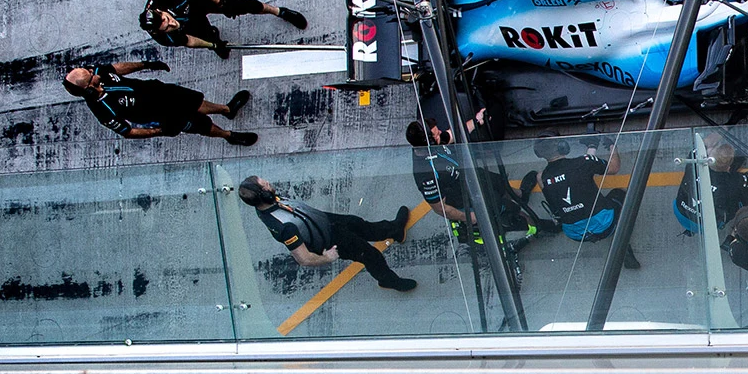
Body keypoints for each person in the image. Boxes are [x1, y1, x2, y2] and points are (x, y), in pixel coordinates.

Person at [238, 176, 417, 292]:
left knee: (359, 224)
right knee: (371, 255)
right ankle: (389, 280)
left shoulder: (271, 201)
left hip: (327, 222)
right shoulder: (284, 227)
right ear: (264, 195)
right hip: (330, 240)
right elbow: (304, 258)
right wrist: (327, 257)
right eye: (265, 185)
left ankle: (394, 229)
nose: (269, 183)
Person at [409, 114, 556, 248]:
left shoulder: (435, 144)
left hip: (473, 176)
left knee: (501, 184)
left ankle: (521, 195)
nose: (441, 132)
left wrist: (477, 120)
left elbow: (452, 134)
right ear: (428, 142)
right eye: (436, 134)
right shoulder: (426, 174)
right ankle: (534, 223)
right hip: (469, 197)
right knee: (508, 208)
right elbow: (441, 208)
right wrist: (469, 217)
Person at [61, 62, 256, 146]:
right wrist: (158, 131)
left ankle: (227, 109)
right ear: (87, 89)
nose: (95, 73)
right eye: (91, 77)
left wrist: (146, 65)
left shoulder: (98, 73)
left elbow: (116, 68)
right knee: (201, 125)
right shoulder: (103, 110)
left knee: (195, 101)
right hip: (163, 116)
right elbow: (127, 132)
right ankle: (228, 135)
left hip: (161, 92)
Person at [139, 0, 306, 58]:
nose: (171, 24)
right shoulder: (165, 37)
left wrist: (220, 3)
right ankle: (213, 37)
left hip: (198, 1)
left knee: (245, 5)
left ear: (161, 11)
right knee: (205, 36)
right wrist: (212, 45)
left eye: (167, 19)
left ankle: (279, 11)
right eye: (167, 27)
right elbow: (188, 40)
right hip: (190, 22)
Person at [534, 137, 636, 260]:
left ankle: (592, 144)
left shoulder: (542, 177)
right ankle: (623, 243)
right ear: (563, 147)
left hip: (575, 234)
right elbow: (613, 168)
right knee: (620, 192)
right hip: (604, 226)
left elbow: (556, 203)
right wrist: (612, 147)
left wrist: (592, 147)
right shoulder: (583, 163)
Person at [673, 130, 748, 239]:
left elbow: (706, 142)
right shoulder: (733, 182)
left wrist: (726, 128)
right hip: (707, 225)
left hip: (680, 211)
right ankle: (735, 233)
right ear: (729, 168)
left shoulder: (694, 160)